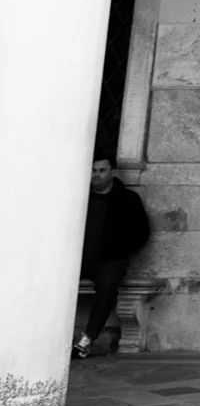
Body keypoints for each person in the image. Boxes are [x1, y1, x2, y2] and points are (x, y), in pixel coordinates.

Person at [72, 152, 150, 359]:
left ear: (112, 172)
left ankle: (87, 338)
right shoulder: (79, 196)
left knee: (108, 285)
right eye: (93, 170)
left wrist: (119, 251)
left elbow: (142, 232)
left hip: (110, 261)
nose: (96, 175)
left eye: (101, 170)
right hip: (77, 259)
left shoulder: (127, 199)